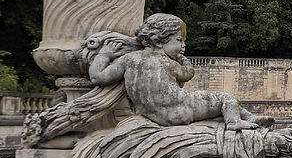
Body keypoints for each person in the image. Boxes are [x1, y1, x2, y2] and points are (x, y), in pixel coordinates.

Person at [88, 13, 272, 130]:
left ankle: (250, 116)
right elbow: (188, 74)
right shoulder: (167, 62)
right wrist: (185, 61)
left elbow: (97, 77)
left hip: (152, 115)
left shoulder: (129, 59)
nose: (183, 46)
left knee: (221, 104)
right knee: (226, 99)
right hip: (182, 109)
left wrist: (103, 54)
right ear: (159, 41)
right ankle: (234, 122)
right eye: (179, 40)